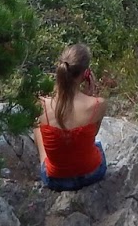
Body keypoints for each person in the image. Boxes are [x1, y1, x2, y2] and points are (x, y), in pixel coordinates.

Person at [34, 43, 108, 191]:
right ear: (86, 73)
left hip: (55, 180)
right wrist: (90, 96)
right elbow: (91, 135)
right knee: (97, 144)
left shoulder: (41, 105)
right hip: (92, 174)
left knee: (38, 128)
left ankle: (46, 162)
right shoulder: (98, 104)